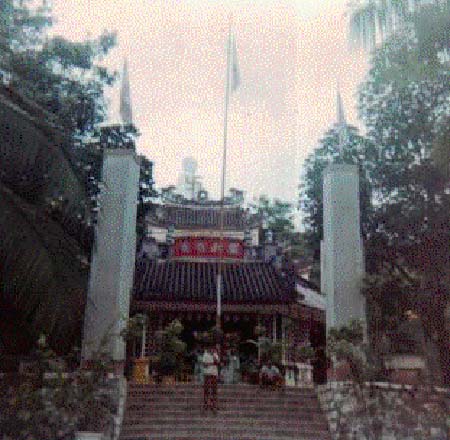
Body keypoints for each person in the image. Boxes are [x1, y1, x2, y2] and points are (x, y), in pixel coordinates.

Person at [202, 345, 219, 413]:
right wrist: (212, 363)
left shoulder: (215, 354)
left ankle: (213, 405)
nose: (212, 350)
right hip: (207, 374)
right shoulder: (205, 354)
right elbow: (204, 364)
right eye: (210, 348)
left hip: (214, 374)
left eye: (213, 349)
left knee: (214, 390)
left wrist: (214, 356)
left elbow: (217, 362)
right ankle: (206, 404)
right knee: (206, 389)